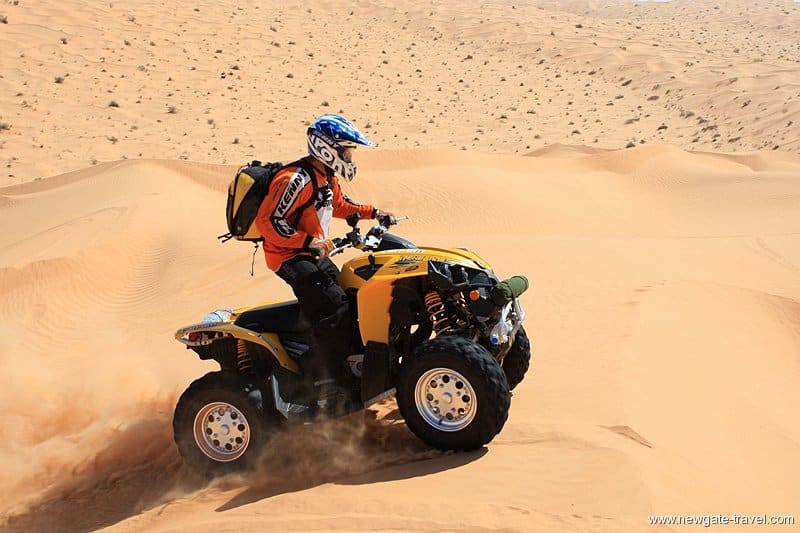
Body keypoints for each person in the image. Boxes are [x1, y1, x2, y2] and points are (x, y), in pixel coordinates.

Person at [254, 114, 391, 405]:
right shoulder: (295, 179)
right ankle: (321, 381)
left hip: (314, 253)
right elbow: (269, 221)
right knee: (334, 310)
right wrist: (307, 242)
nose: (349, 157)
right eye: (346, 151)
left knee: (353, 296)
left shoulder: (326, 176)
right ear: (327, 148)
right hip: (288, 257)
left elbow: (339, 205)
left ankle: (353, 365)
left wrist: (374, 213)